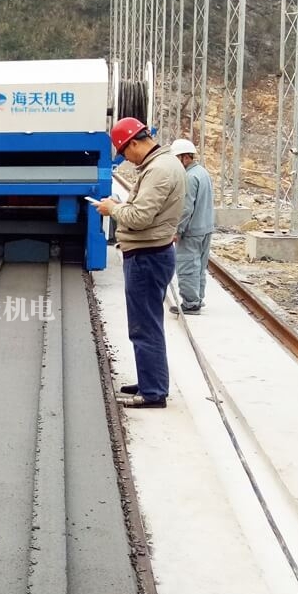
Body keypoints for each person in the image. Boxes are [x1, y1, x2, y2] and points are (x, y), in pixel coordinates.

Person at [92, 117, 185, 408]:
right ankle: (149, 381)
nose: (126, 159)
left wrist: (113, 208)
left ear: (135, 142)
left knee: (145, 326)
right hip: (150, 254)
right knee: (146, 323)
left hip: (147, 257)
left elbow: (140, 217)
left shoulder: (159, 170)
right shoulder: (163, 165)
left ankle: (154, 391)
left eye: (124, 152)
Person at [170, 139, 214, 315]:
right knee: (200, 267)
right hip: (206, 227)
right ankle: (198, 299)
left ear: (185, 157)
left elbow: (186, 208)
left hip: (192, 231)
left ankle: (190, 303)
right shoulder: (202, 173)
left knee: (187, 266)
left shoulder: (189, 177)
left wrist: (177, 230)